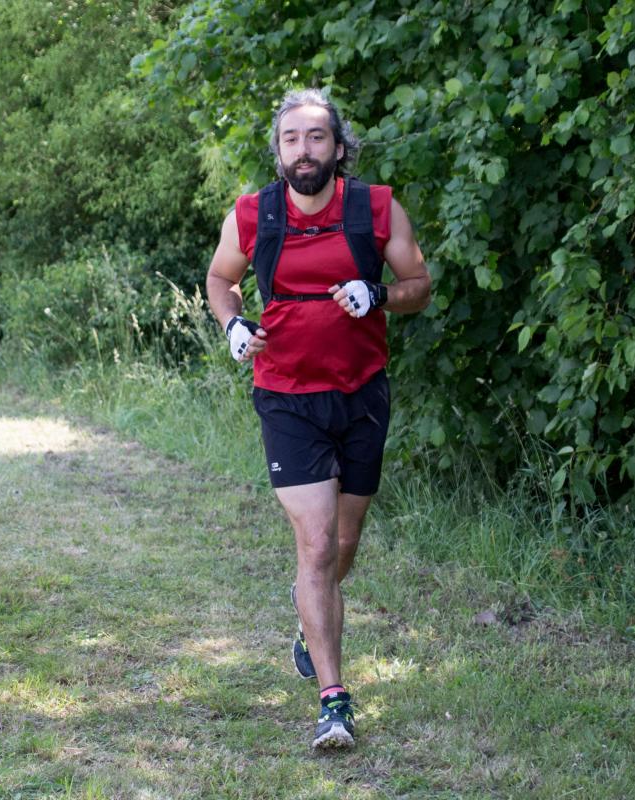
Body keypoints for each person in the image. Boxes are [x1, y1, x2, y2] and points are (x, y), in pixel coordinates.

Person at [205, 88, 431, 749]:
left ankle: (310, 616)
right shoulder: (253, 214)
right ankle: (334, 700)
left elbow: (420, 287)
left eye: (315, 138)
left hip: (361, 393)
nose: (303, 151)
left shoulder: (376, 208)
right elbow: (220, 280)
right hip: (286, 395)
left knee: (342, 545)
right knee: (316, 544)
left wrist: (378, 293)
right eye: (291, 139)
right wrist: (233, 324)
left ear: (338, 146)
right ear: (278, 152)